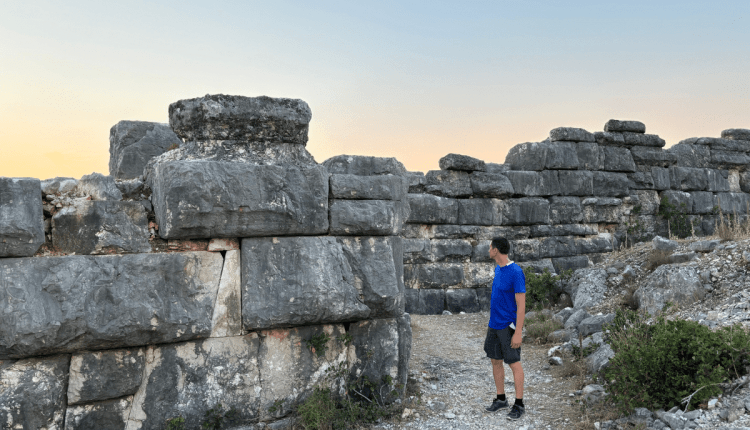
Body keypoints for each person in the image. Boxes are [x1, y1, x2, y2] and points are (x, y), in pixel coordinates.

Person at [483, 237, 526, 421]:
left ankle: (519, 404)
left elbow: (521, 305)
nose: (488, 249)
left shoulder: (516, 272)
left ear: (496, 250)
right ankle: (501, 399)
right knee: (495, 360)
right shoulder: (498, 269)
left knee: (514, 363)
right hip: (494, 325)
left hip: (508, 326)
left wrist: (518, 332)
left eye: (490, 246)